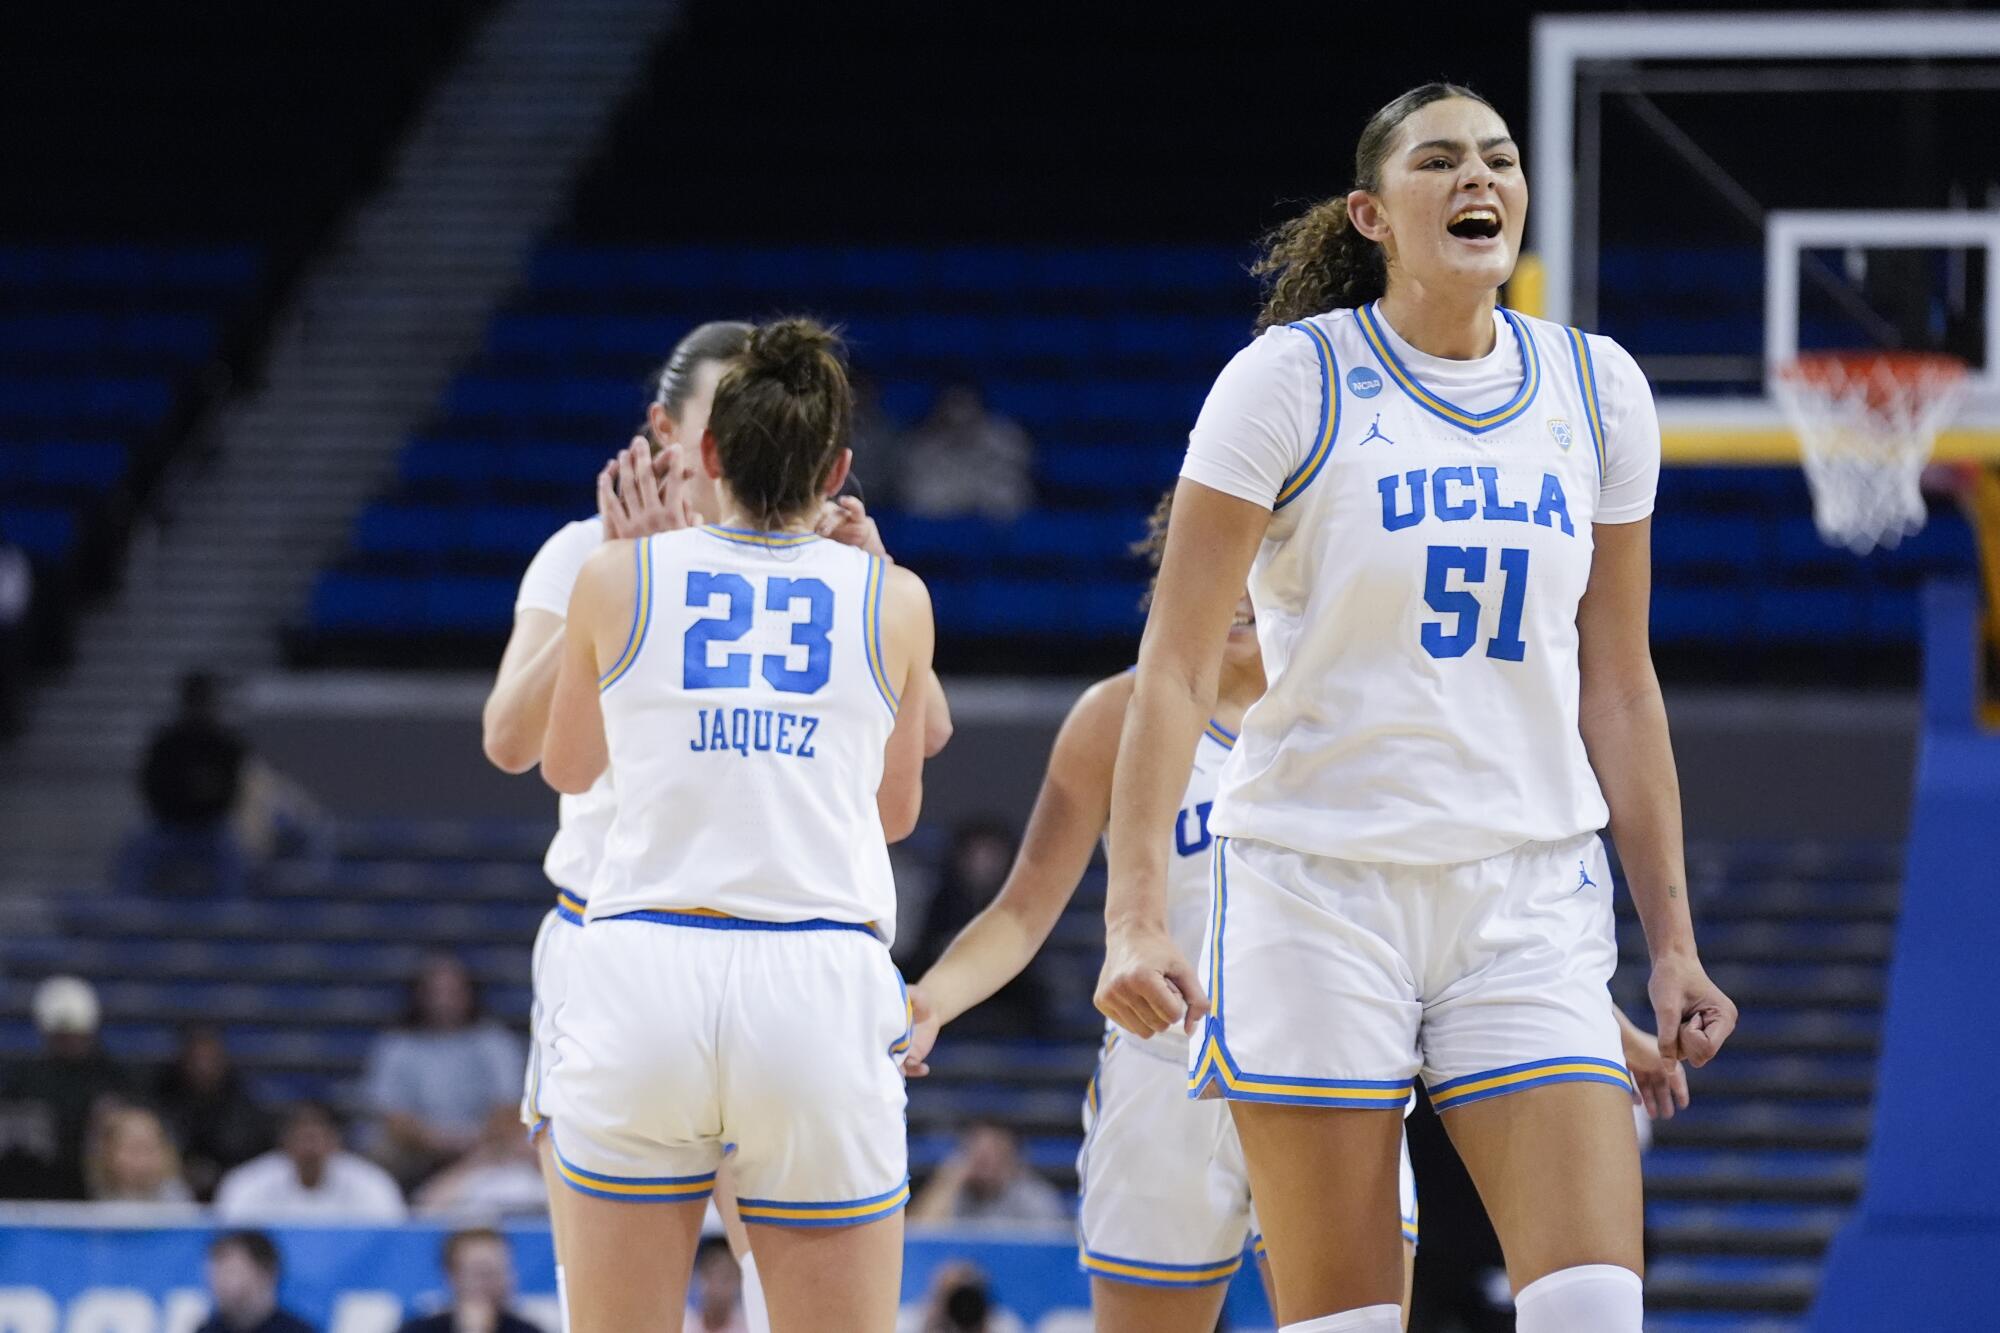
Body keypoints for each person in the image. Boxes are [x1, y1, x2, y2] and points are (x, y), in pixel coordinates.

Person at [1093, 83, 1737, 1333]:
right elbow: (1170, 667)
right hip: (1316, 888)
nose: (1474, 179)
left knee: (1594, 1309)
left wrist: (1668, 937)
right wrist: (1131, 917)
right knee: (1343, 1320)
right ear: (1370, 213)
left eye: (1496, 158)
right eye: (1437, 161)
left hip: (1526, 891)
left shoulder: (1595, 388)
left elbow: (1618, 679)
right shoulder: (1288, 381)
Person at [902, 493, 1414, 1329]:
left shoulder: (1366, 709)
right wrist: (930, 998)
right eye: (1224, 554)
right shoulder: (1116, 715)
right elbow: (1023, 911)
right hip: (1165, 1071)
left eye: (1264, 553)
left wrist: (1591, 1017)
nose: (1242, 586)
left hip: (1337, 1066)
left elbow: (1451, 894)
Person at [540, 317, 937, 1332]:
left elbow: (567, 767)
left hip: (641, 967)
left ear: (707, 452)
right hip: (811, 974)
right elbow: (893, 813)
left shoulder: (613, 572)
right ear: (839, 465)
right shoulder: (892, 598)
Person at [360, 953, 524, 1186]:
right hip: (415, 1146)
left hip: (483, 1144)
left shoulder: (494, 1042)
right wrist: (436, 1140)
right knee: (378, 1148)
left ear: (469, 993)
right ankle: (390, 1214)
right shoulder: (397, 1045)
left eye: (452, 992)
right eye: (435, 992)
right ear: (419, 995)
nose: (443, 1000)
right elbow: (391, 1115)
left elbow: (508, 1107)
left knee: (525, 1144)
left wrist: (473, 1140)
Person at [905, 820, 1048, 1037]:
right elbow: (923, 953)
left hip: (1005, 1000)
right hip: (949, 1003)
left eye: (991, 854)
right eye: (977, 853)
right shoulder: (942, 900)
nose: (983, 862)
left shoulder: (1020, 902)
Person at [0, 975, 130, 1198]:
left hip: (96, 1188)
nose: (72, 1042)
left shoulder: (111, 1077)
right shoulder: (25, 1079)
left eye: (77, 1034)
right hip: (37, 1186)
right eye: (64, 1035)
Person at [127, 672, 249, 895]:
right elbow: (150, 786)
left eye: (204, 702)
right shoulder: (166, 743)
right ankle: (129, 917)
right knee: (133, 852)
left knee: (236, 859)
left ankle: (229, 922)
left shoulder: (226, 745)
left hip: (211, 830)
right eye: (195, 702)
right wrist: (184, 793)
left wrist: (210, 797)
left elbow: (236, 790)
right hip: (168, 829)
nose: (200, 709)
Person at [214, 1101, 406, 1223]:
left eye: (316, 1137)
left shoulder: (372, 1183)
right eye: (302, 1137)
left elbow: (388, 1238)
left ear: (335, 1141)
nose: (309, 1147)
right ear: (285, 1141)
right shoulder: (248, 1183)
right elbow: (232, 1233)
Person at [153, 1026, 270, 1201]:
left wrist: (220, 1176)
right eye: (197, 1059)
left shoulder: (243, 1105)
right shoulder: (162, 1098)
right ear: (184, 1060)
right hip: (171, 1186)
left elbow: (254, 1159)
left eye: (209, 1059)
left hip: (233, 1187)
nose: (203, 1067)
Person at [896, 384, 1035, 521]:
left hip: (997, 526)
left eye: (965, 404)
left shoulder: (1006, 437)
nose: (959, 414)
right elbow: (919, 501)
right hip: (941, 525)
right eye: (954, 404)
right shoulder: (922, 443)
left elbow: (1017, 489)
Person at [906, 1121, 1068, 1227]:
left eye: (995, 1154)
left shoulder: (1034, 1197)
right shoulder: (953, 1190)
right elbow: (918, 1239)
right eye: (978, 1154)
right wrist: (947, 1182)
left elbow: (1049, 1253)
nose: (985, 1163)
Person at [394, 1228, 543, 1333]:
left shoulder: (527, 1330)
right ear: (453, 1276)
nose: (497, 1282)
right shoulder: (419, 1330)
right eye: (483, 1273)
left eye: (502, 1271)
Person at [415, 1106, 549, 1218]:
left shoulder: (551, 1179)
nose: (527, 1143)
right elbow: (426, 1209)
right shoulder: (482, 1178)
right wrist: (480, 1161)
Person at [194, 1230, 317, 1333]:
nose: (219, 1283)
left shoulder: (297, 1330)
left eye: (231, 1271)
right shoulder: (206, 1330)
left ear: (265, 1274)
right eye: (215, 1273)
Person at [84, 1103, 194, 1204]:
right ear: (108, 1154)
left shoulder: (181, 1204)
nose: (142, 1159)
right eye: (133, 1149)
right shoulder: (91, 1206)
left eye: (149, 1149)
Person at [684, 1237, 750, 1333]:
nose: (718, 1285)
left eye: (726, 1277)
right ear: (701, 1274)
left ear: (738, 1280)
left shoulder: (750, 1326)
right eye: (713, 1273)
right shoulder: (684, 1323)